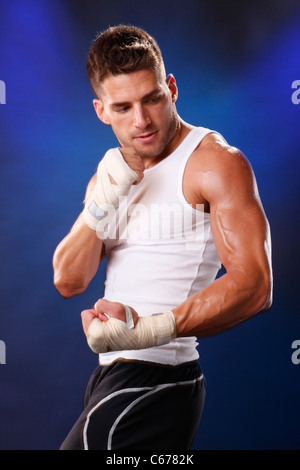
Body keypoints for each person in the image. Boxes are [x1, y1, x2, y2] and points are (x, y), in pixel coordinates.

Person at [52, 24, 273, 451]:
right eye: (123, 107)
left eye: (152, 98)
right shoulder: (109, 173)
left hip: (159, 377)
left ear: (170, 87)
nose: (142, 120)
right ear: (101, 110)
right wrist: (99, 205)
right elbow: (68, 280)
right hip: (111, 377)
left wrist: (145, 332)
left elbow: (255, 285)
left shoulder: (215, 163)